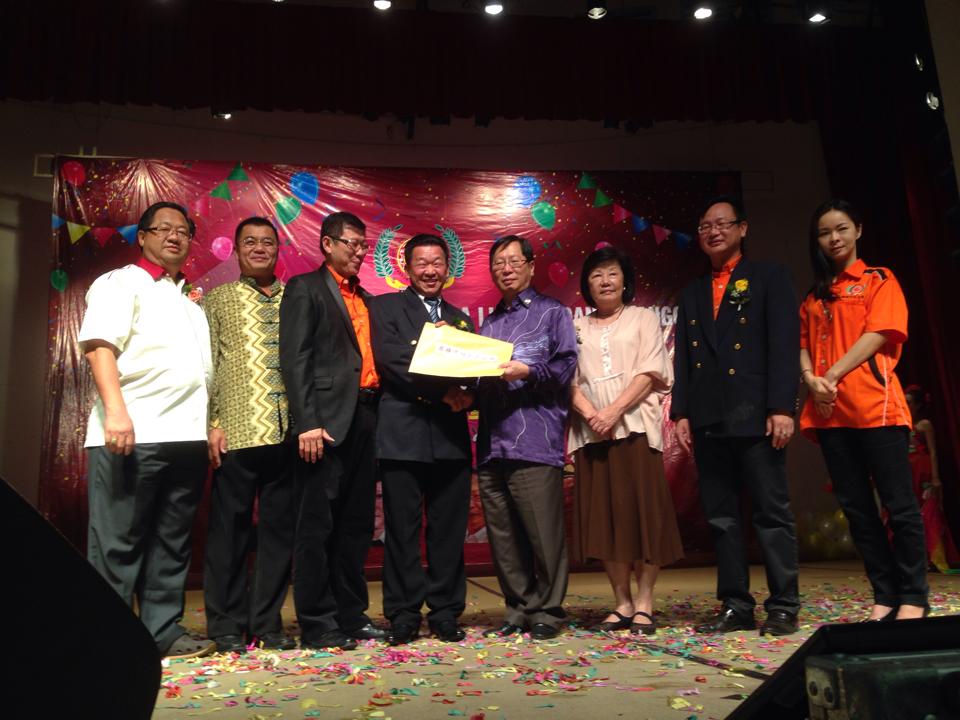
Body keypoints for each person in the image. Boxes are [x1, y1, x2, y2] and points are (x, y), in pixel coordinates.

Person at [79, 201, 214, 659]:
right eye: (163, 229)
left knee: (171, 542)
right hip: (133, 432)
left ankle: (162, 631)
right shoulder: (120, 282)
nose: (174, 236)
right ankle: (110, 639)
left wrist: (210, 425)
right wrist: (116, 413)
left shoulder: (189, 298)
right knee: (117, 543)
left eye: (183, 231)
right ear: (142, 237)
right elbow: (99, 347)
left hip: (187, 437)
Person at [672, 195, 801, 636]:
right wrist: (682, 411)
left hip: (757, 414)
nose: (713, 231)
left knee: (771, 512)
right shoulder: (692, 292)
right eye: (705, 225)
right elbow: (684, 359)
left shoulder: (768, 277)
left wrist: (782, 407)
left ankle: (783, 604)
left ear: (742, 228)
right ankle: (736, 604)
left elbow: (783, 346)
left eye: (722, 223)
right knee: (721, 517)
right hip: (709, 416)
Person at [799, 199, 928, 621]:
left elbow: (880, 333)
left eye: (841, 229)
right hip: (830, 414)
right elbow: (802, 344)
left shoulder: (878, 279)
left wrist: (832, 373)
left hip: (876, 409)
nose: (833, 239)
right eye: (824, 233)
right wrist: (810, 379)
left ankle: (914, 596)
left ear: (858, 230)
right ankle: (884, 595)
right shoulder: (814, 295)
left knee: (899, 506)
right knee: (857, 511)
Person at [279, 211, 387, 650]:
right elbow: (295, 359)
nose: (359, 252)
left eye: (364, 246)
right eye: (352, 244)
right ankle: (317, 621)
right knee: (316, 526)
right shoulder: (305, 288)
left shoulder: (367, 298)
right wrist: (307, 422)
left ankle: (351, 614)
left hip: (367, 417)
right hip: (323, 424)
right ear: (327, 244)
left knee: (356, 525)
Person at [568, 247, 683, 636]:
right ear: (587, 284)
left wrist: (613, 411)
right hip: (591, 434)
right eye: (596, 275)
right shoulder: (576, 327)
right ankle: (622, 603)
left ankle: (645, 603)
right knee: (606, 520)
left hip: (635, 428)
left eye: (612, 273)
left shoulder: (643, 318)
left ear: (625, 280)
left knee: (642, 516)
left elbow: (651, 371)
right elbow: (566, 380)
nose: (605, 281)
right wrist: (592, 415)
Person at [369, 234, 474, 645]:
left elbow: (474, 369)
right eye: (422, 263)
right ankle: (403, 612)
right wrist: (438, 366)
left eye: (437, 263)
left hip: (450, 439)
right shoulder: (385, 307)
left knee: (448, 532)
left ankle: (446, 611)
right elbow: (391, 360)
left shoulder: (460, 319)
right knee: (402, 531)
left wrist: (468, 391)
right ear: (407, 268)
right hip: (403, 435)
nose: (430, 271)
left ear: (448, 267)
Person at [475, 234, 578, 640]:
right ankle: (518, 608)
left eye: (514, 261)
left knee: (543, 533)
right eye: (498, 263)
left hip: (535, 438)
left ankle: (548, 610)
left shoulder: (552, 313)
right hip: (492, 443)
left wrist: (529, 371)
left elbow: (566, 366)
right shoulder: (489, 324)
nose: (506, 269)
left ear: (531, 266)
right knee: (503, 536)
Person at [203, 217, 296, 654]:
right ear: (237, 250)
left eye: (267, 242)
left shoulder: (296, 298)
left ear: (278, 250)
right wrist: (213, 423)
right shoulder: (217, 299)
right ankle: (225, 623)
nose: (259, 248)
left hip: (288, 434)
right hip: (236, 430)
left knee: (278, 535)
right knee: (229, 533)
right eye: (250, 242)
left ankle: (267, 623)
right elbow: (207, 366)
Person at [903, 385, 959, 573]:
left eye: (909, 402)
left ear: (918, 405)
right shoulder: (901, 423)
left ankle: (935, 558)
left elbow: (933, 452)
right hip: (908, 471)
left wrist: (935, 477)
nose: (906, 405)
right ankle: (916, 558)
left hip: (924, 471)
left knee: (929, 513)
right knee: (911, 515)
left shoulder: (924, 424)